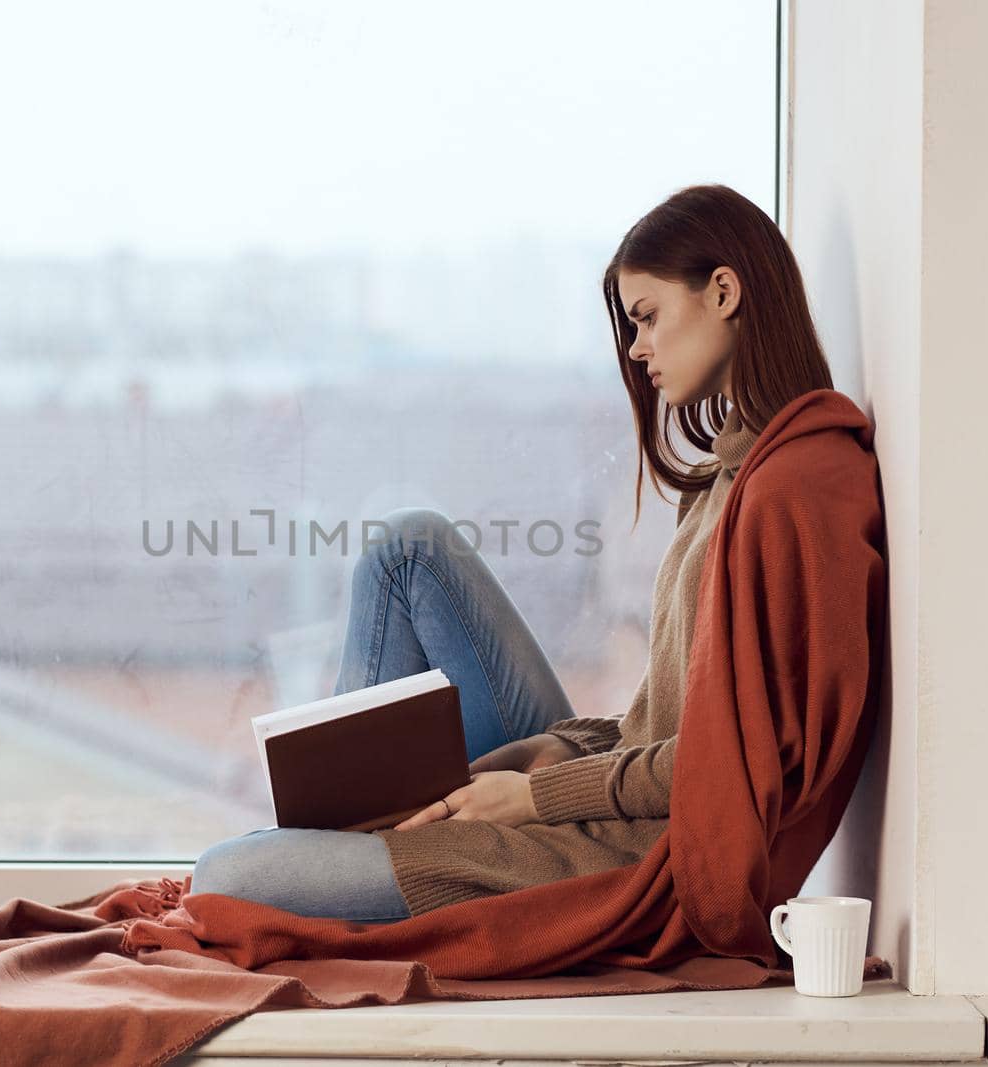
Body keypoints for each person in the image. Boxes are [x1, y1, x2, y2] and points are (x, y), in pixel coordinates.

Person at [191, 183, 845, 923]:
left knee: (221, 877)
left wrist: (534, 798)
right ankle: (354, 822)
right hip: (611, 801)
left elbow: (726, 766)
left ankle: (344, 843)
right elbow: (657, 727)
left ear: (724, 290)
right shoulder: (731, 476)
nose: (637, 347)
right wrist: (550, 755)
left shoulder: (794, 487)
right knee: (409, 545)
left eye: (648, 317)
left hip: (629, 858)